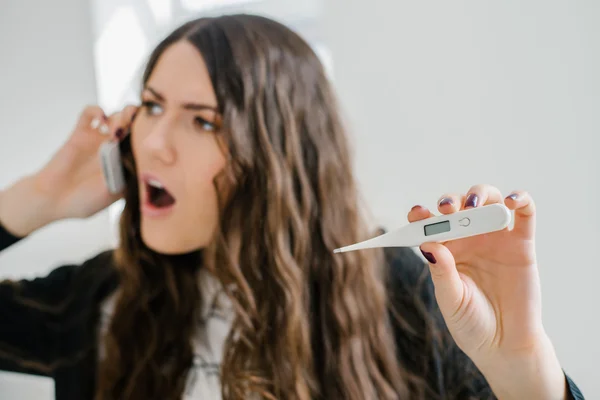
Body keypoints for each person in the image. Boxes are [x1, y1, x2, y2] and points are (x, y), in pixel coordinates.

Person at [0, 14, 584, 400]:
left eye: (203, 120)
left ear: (280, 153)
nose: (154, 143)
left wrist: (524, 368)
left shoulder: (403, 293)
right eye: (151, 106)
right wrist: (33, 201)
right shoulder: (107, 297)